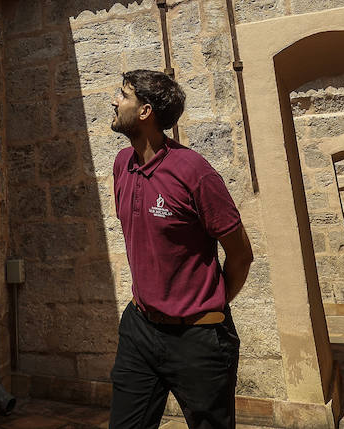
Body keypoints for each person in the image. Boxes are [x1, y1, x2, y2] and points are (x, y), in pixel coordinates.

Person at [108, 69, 254, 429]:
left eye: (123, 95)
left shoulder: (194, 172)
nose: (114, 101)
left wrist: (208, 306)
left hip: (198, 340)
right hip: (139, 329)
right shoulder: (121, 166)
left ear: (145, 112)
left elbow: (240, 253)